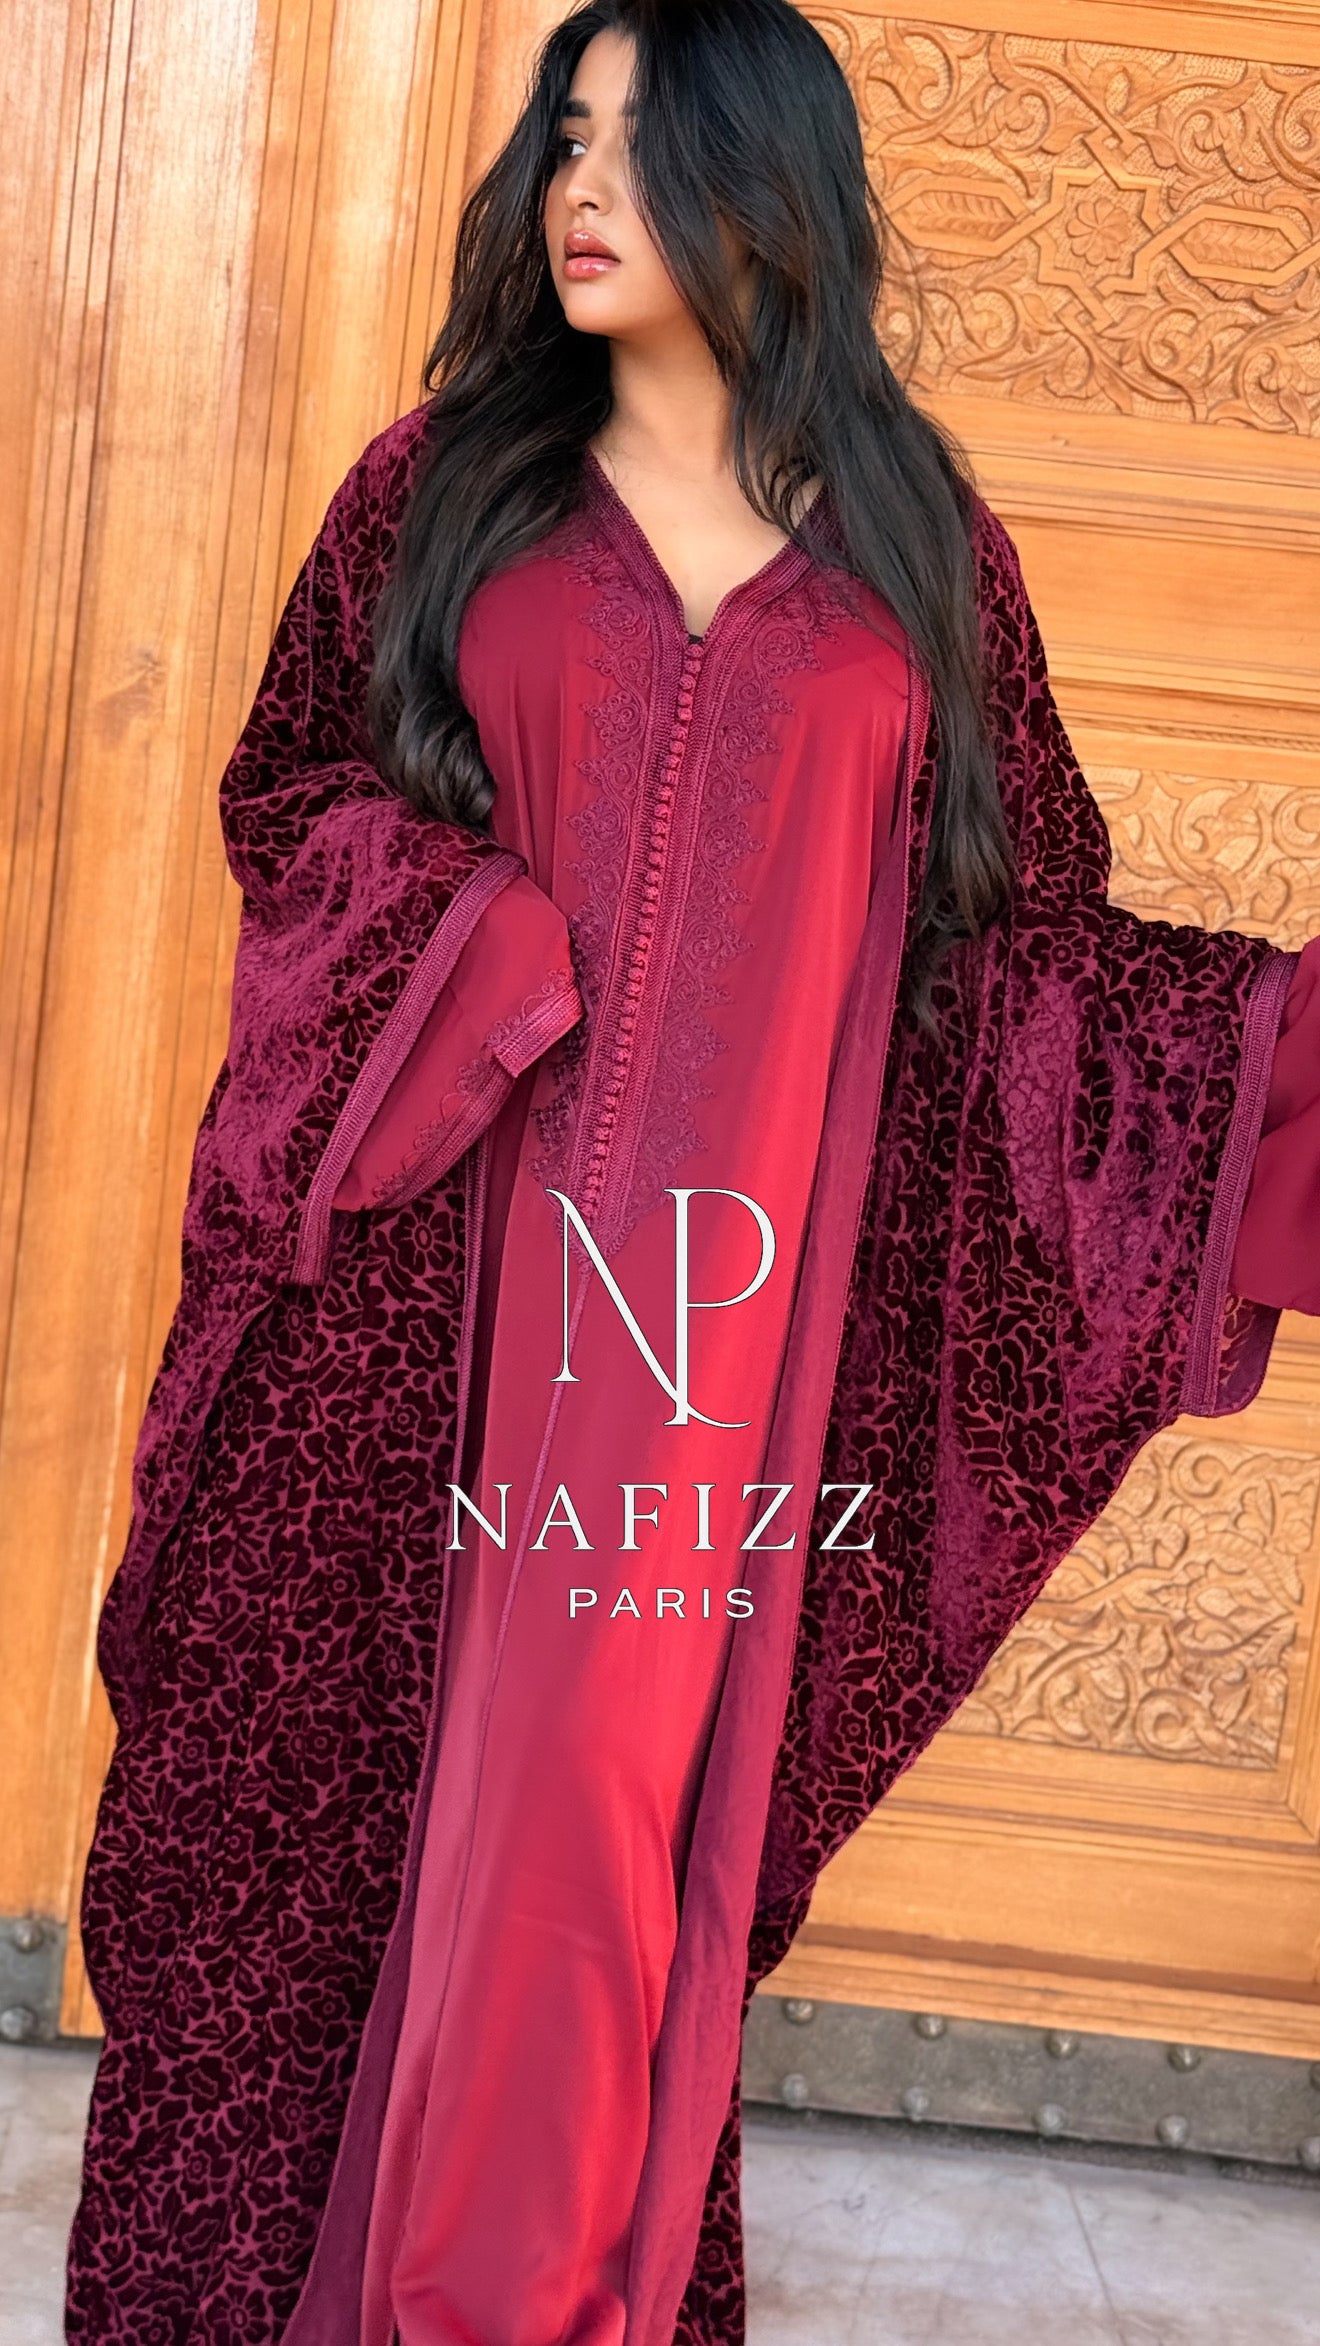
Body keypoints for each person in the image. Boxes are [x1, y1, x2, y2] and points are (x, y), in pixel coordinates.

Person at [65, 2, 1319, 2341]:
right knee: (342, 1854)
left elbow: (1021, 950)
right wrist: (462, 941)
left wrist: (1256, 1076)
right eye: (569, 133)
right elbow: (287, 798)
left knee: (602, 1869)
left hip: (725, 1384)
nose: (584, 184)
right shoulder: (441, 492)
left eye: (643, 141)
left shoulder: (919, 552)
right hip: (421, 1346)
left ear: (774, 178)